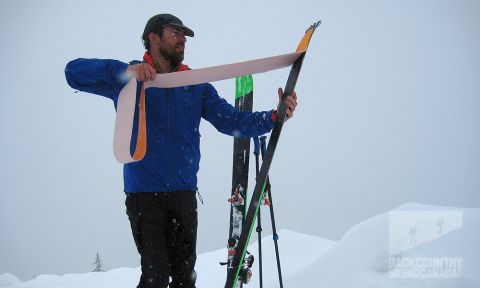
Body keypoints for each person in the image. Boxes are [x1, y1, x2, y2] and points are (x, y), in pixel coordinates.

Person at [64, 13, 297, 288]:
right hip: (144, 195)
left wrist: (273, 117)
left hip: (183, 195)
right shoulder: (129, 79)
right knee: (156, 278)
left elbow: (231, 120)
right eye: (176, 33)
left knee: (185, 280)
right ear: (153, 37)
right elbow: (73, 73)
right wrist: (126, 70)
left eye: (184, 35)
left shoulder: (195, 85)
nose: (183, 40)